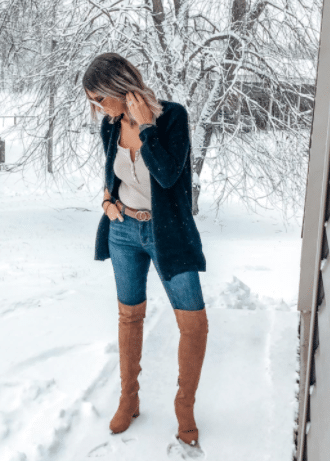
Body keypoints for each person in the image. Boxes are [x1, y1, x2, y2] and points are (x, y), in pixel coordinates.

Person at [82, 52, 209, 448]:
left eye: (99, 98)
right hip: (123, 232)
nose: (96, 108)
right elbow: (112, 175)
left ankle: (184, 406)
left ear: (117, 88)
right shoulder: (110, 126)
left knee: (193, 323)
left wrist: (148, 128)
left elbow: (169, 175)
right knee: (129, 317)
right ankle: (128, 398)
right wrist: (106, 201)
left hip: (166, 235)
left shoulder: (172, 117)